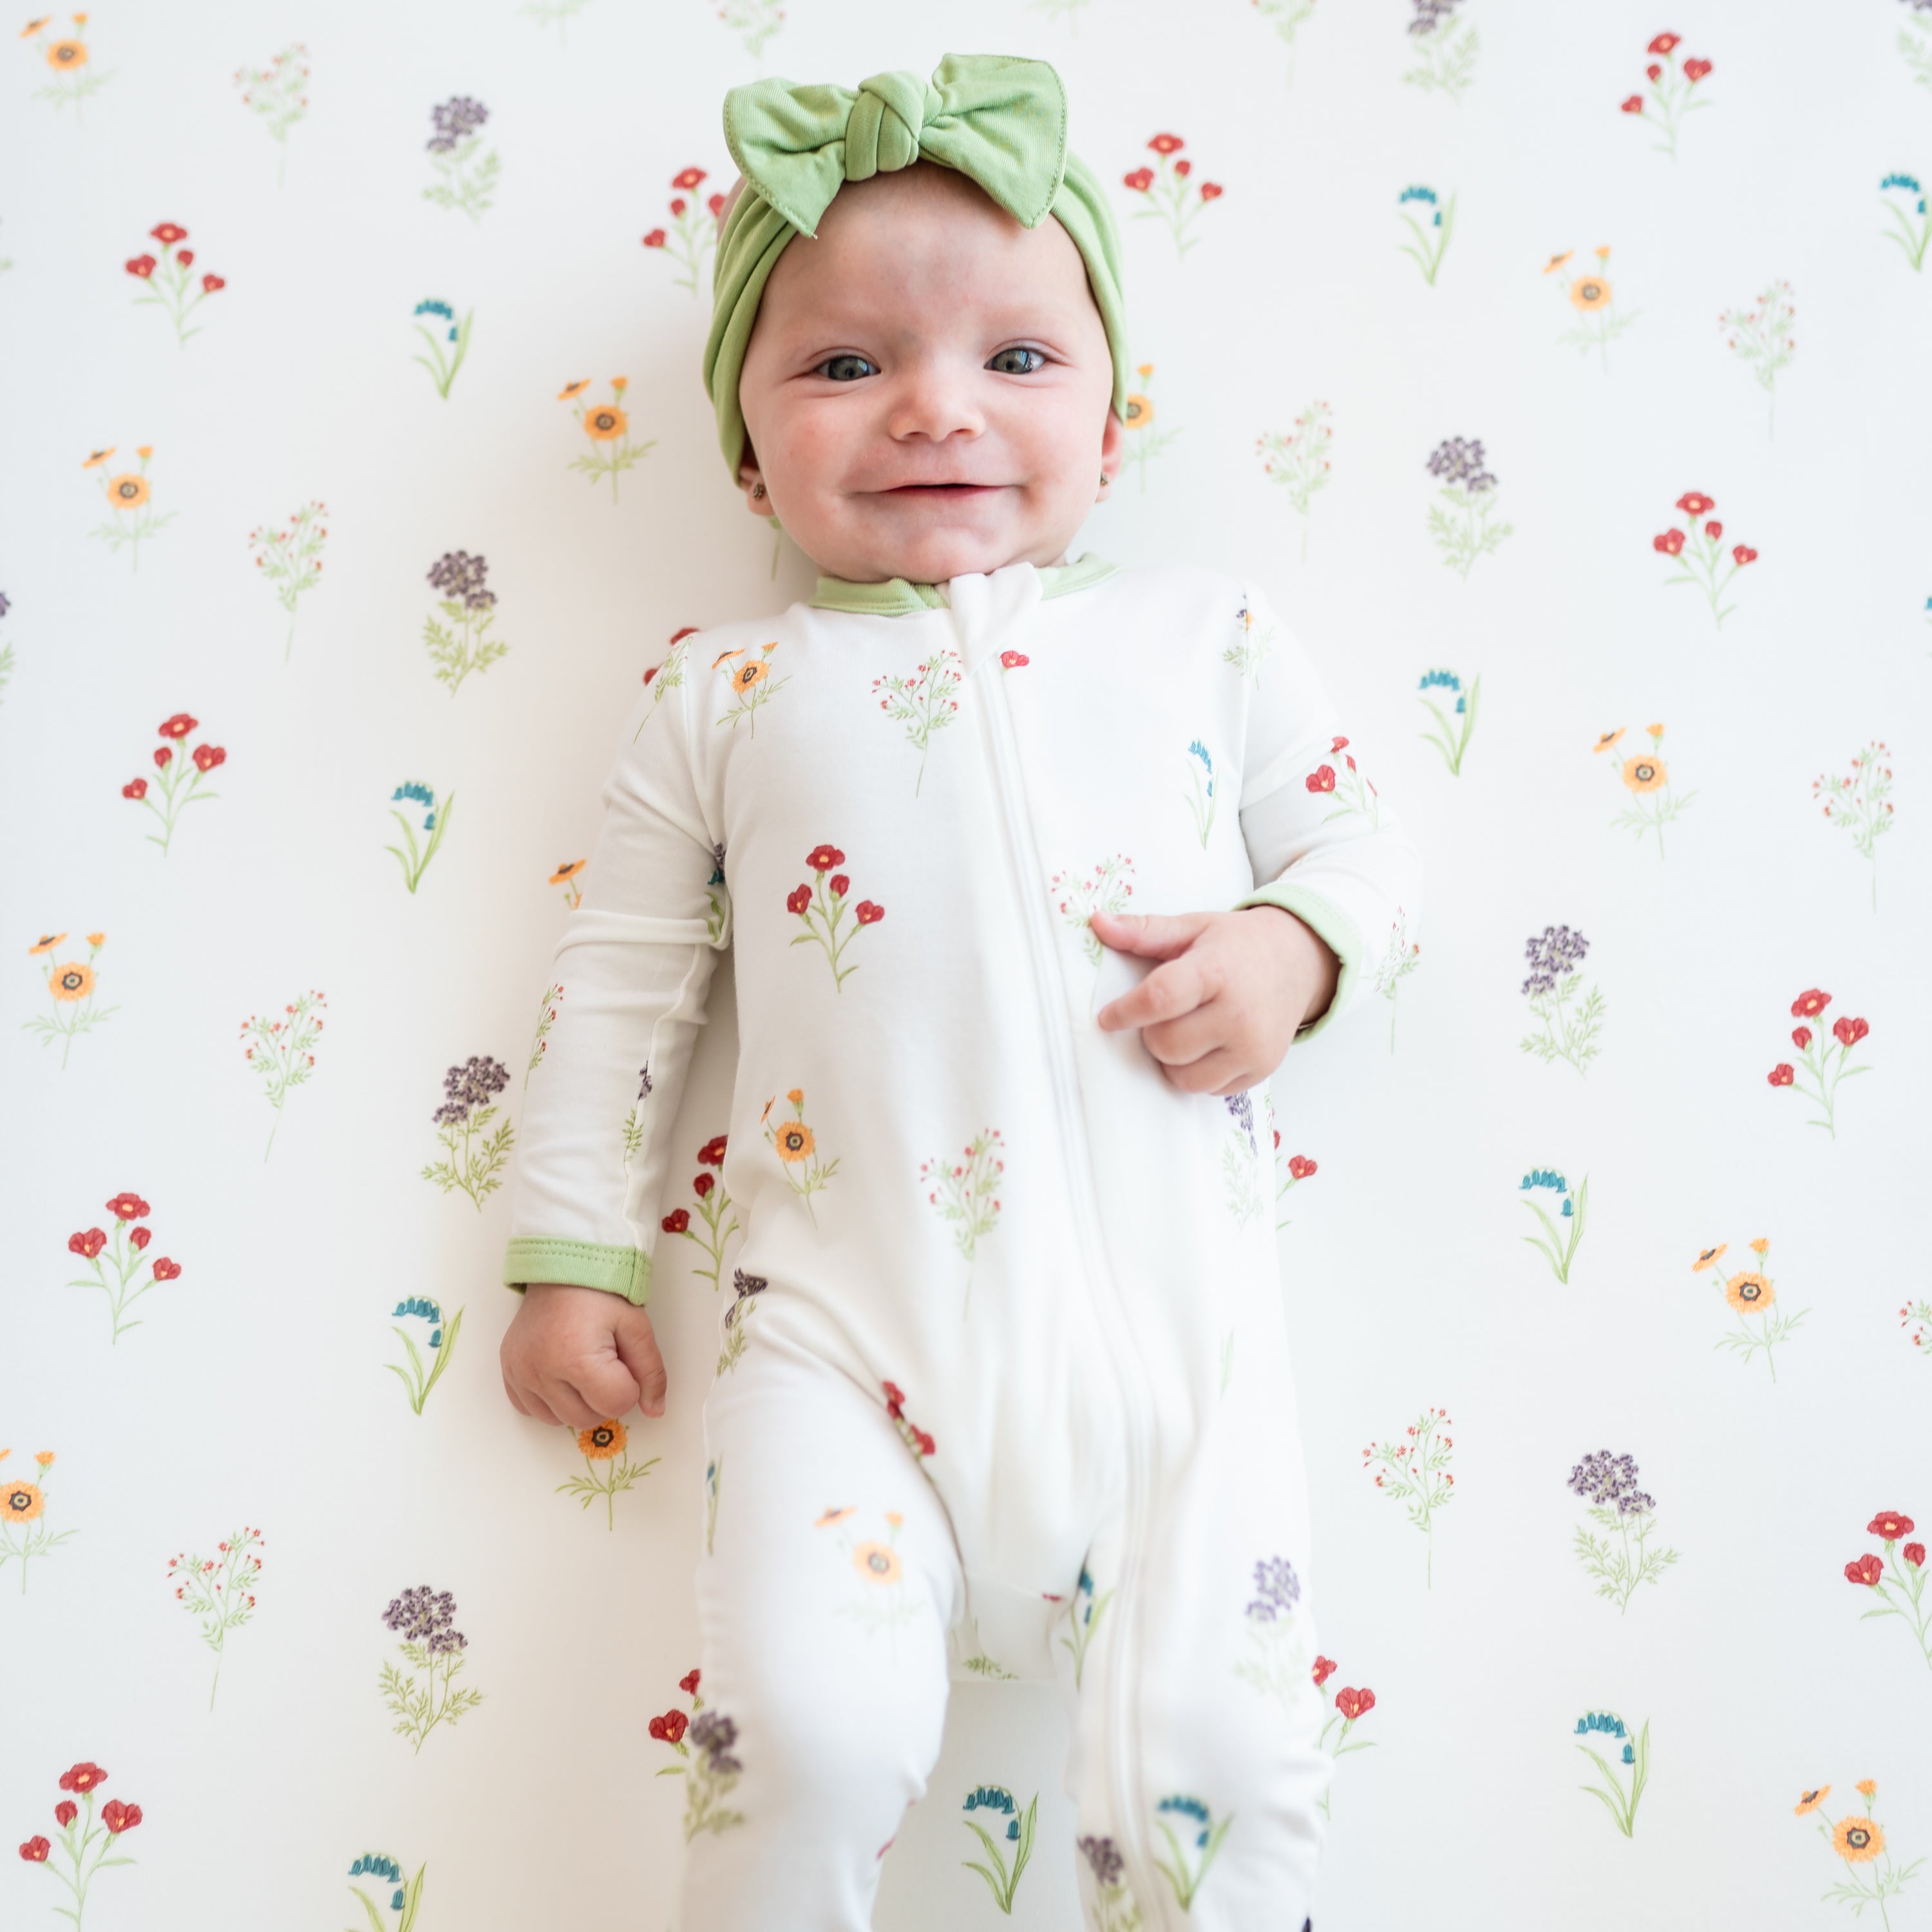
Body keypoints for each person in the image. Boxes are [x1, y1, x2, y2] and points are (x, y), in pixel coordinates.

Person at [497, 52, 1421, 1932]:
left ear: (1112, 410)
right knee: (804, 1744)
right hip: (844, 1325)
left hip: (1180, 1344)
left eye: (1016, 359)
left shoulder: (1205, 636)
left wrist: (1293, 950)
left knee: (1229, 1778)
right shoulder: (720, 693)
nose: (935, 408)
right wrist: (568, 1249)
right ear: (746, 448)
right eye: (844, 366)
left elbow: (1363, 858)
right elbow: (617, 994)